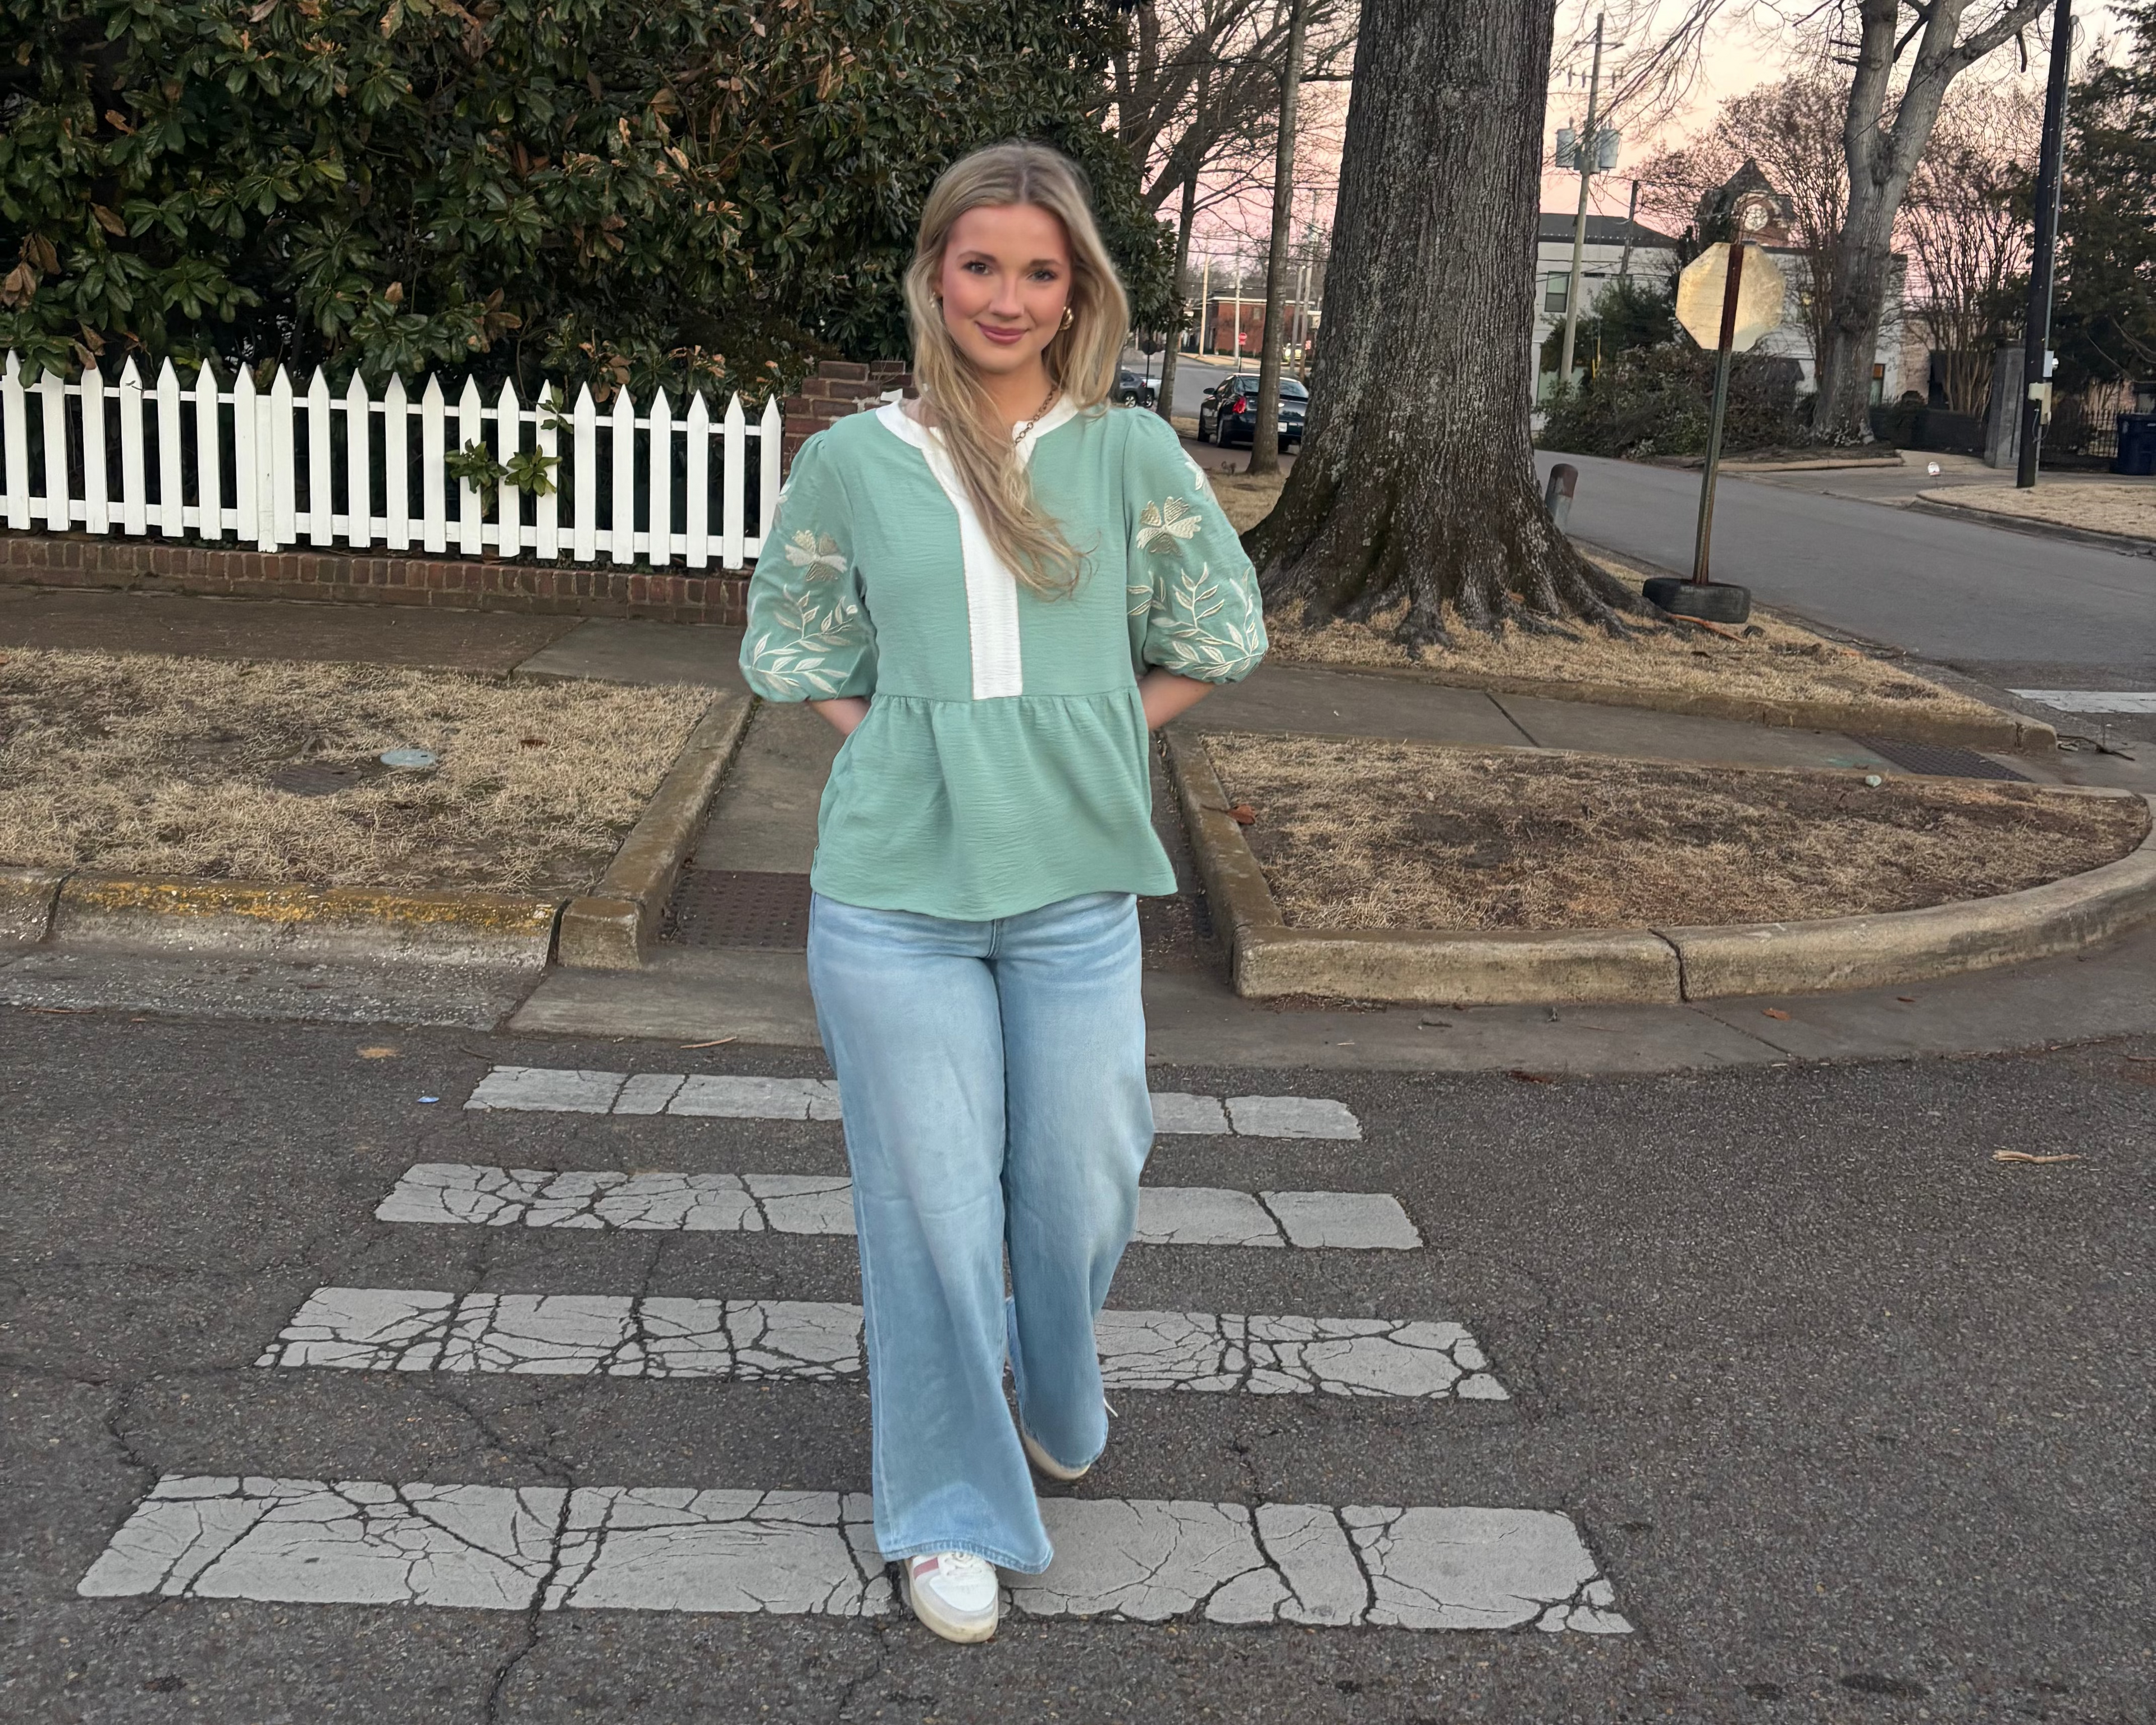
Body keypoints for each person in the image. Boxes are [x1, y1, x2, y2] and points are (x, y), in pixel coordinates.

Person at [738, 139, 1267, 1644]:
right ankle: (950, 1508)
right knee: (931, 1207)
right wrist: (894, 738)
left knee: (1085, 1174)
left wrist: (1096, 733)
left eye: (1041, 271)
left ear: (1078, 289)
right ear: (936, 274)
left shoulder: (1128, 452)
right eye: (982, 265)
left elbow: (1220, 632)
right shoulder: (855, 461)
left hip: (1073, 894)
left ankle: (1051, 1370)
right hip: (893, 898)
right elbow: (790, 638)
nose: (1009, 297)